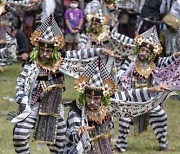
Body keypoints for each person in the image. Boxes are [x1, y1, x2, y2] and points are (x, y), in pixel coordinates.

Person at [11, 15, 114, 154]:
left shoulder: (62, 60)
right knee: (19, 137)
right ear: (38, 48)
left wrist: (100, 51)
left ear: (54, 51)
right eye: (42, 50)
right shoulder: (32, 64)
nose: (45, 54)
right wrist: (22, 99)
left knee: (60, 147)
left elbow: (79, 54)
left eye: (48, 51)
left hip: (54, 109)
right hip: (33, 106)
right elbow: (20, 84)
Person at [65, 57, 172, 154]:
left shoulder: (108, 103)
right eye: (89, 97)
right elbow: (75, 131)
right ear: (84, 96)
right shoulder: (77, 110)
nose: (92, 102)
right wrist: (80, 132)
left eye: (96, 98)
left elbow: (128, 94)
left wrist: (152, 89)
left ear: (103, 97)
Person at [114, 26, 180, 152]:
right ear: (139, 49)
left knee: (161, 116)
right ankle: (120, 145)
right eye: (142, 50)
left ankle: (163, 143)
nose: (143, 53)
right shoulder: (130, 61)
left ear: (151, 54)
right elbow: (121, 73)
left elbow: (169, 61)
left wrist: (177, 54)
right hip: (132, 100)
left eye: (147, 51)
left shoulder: (154, 63)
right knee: (124, 120)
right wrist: (121, 77)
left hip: (149, 100)